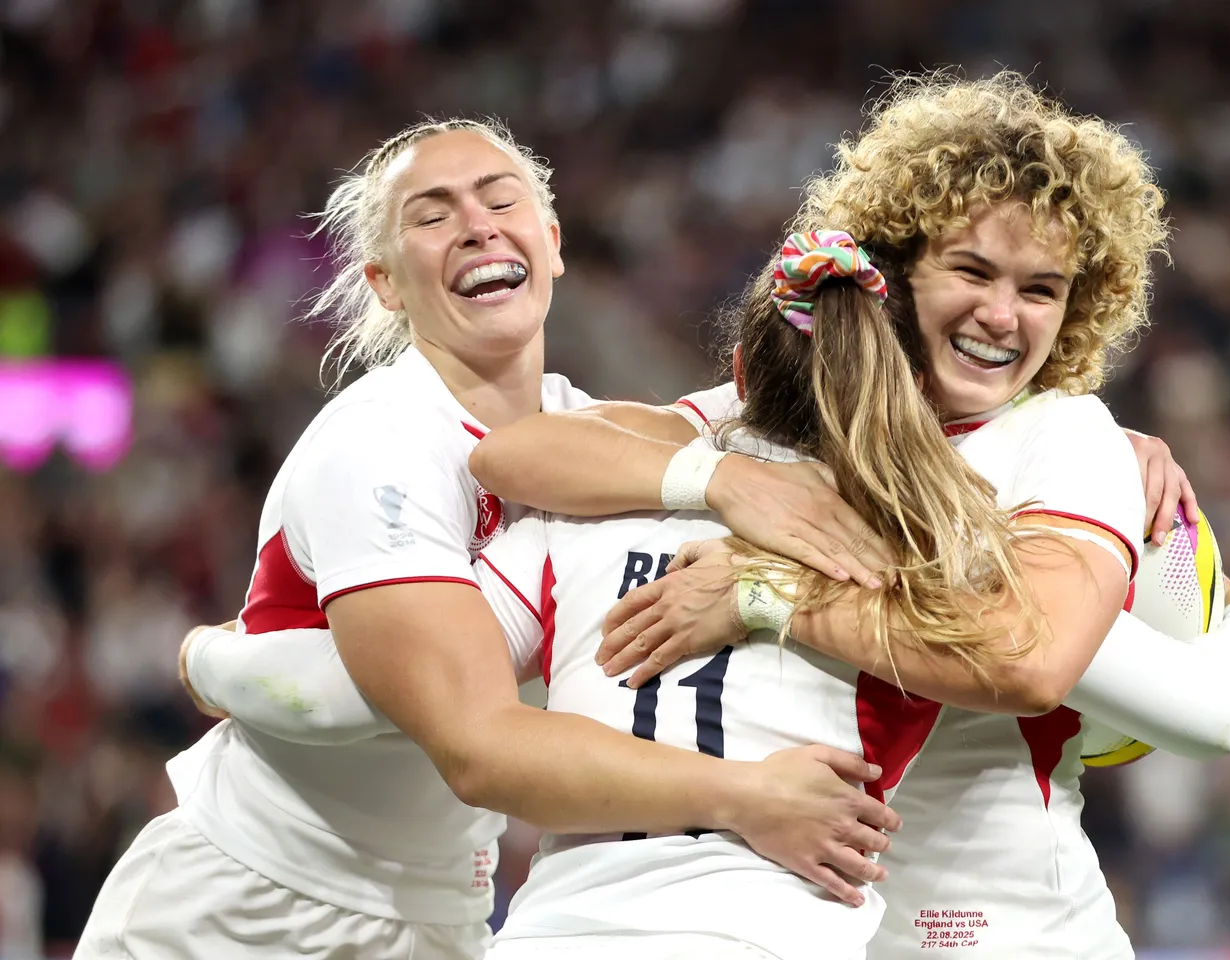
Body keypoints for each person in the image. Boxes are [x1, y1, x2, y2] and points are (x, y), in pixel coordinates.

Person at [464, 72, 1230, 959]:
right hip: (830, 924)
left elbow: (1038, 662)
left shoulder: (1065, 443)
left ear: (1078, 308)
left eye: (1042, 290)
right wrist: (719, 480)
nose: (1001, 315)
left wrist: (768, 593)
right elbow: (520, 453)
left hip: (1012, 933)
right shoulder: (799, 422)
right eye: (971, 270)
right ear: (896, 270)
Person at [74, 118, 900, 960]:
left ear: (553, 242)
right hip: (248, 901)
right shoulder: (382, 442)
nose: (477, 225)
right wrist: (746, 797)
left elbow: (783, 402)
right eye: (433, 216)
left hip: (442, 913)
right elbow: (469, 740)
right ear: (385, 283)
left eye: (501, 200)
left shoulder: (593, 438)